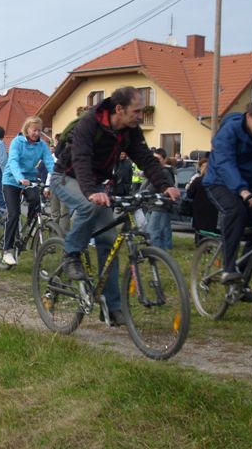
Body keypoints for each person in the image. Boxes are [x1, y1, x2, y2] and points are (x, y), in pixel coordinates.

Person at [50, 86, 179, 326]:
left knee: (109, 243)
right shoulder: (89, 124)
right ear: (119, 109)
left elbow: (145, 159)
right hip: (65, 178)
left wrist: (165, 185)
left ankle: (112, 308)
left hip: (94, 183)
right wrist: (91, 192)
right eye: (137, 110)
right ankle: (72, 254)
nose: (141, 115)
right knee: (88, 208)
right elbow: (81, 160)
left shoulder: (128, 130)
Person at [204, 99, 252, 301]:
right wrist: (243, 191)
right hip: (220, 182)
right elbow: (225, 163)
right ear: (249, 117)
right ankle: (229, 268)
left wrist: (249, 191)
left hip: (251, 185)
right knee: (235, 210)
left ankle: (241, 282)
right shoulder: (229, 131)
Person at [1, 116, 55, 266]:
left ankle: (30, 227)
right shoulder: (17, 142)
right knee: (14, 213)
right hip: (12, 179)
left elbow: (49, 162)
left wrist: (57, 179)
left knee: (35, 201)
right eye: (34, 130)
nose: (36, 133)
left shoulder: (42, 145)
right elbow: (13, 161)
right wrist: (19, 178)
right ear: (27, 129)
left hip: (30, 179)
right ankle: (7, 250)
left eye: (39, 130)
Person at [140, 148, 175, 250]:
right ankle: (163, 249)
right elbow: (144, 188)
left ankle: (156, 253)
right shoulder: (153, 172)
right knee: (158, 229)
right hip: (151, 204)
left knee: (153, 230)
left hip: (159, 205)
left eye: (158, 159)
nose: (156, 161)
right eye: (154, 159)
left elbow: (151, 188)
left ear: (164, 160)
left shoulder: (165, 172)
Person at [186, 158, 218, 245]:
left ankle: (200, 245)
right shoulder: (215, 181)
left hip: (200, 209)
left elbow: (189, 194)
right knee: (210, 229)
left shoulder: (198, 180)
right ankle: (208, 246)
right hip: (211, 209)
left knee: (199, 229)